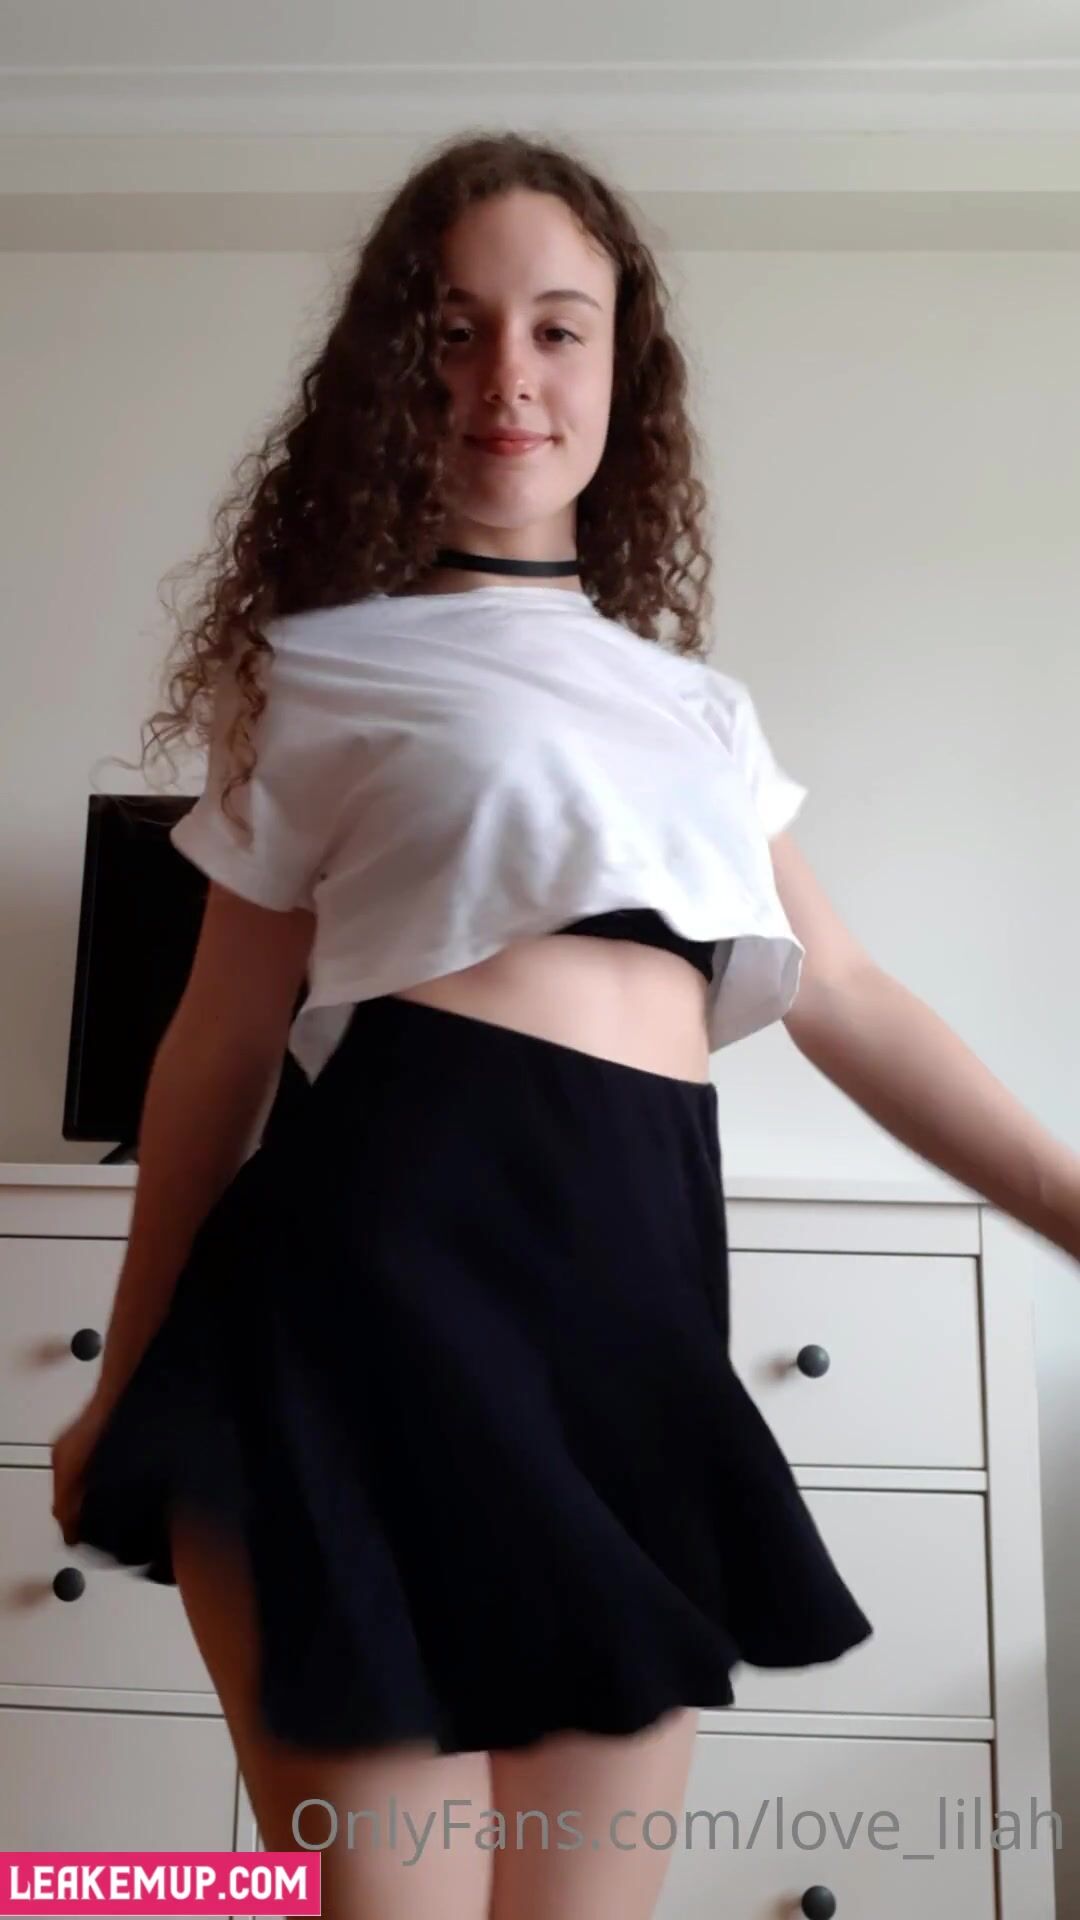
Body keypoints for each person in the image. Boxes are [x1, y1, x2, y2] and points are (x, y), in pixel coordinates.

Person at [50, 131, 1080, 1920]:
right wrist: (124, 1373)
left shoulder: (699, 712)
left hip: (629, 1347)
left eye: (556, 327)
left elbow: (845, 996)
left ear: (624, 368)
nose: (506, 377)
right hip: (363, 1317)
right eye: (452, 332)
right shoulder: (316, 667)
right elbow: (216, 1044)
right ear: (394, 369)